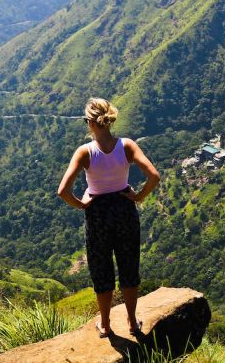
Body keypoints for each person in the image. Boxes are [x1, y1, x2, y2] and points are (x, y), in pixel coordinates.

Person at [57, 97, 160, 338]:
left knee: (101, 269)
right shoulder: (126, 146)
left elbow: (63, 191)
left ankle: (105, 325)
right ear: (108, 120)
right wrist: (138, 197)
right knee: (128, 266)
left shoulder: (85, 152)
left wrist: (82, 204)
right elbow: (154, 176)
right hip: (124, 209)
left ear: (91, 122)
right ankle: (133, 323)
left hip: (98, 214)